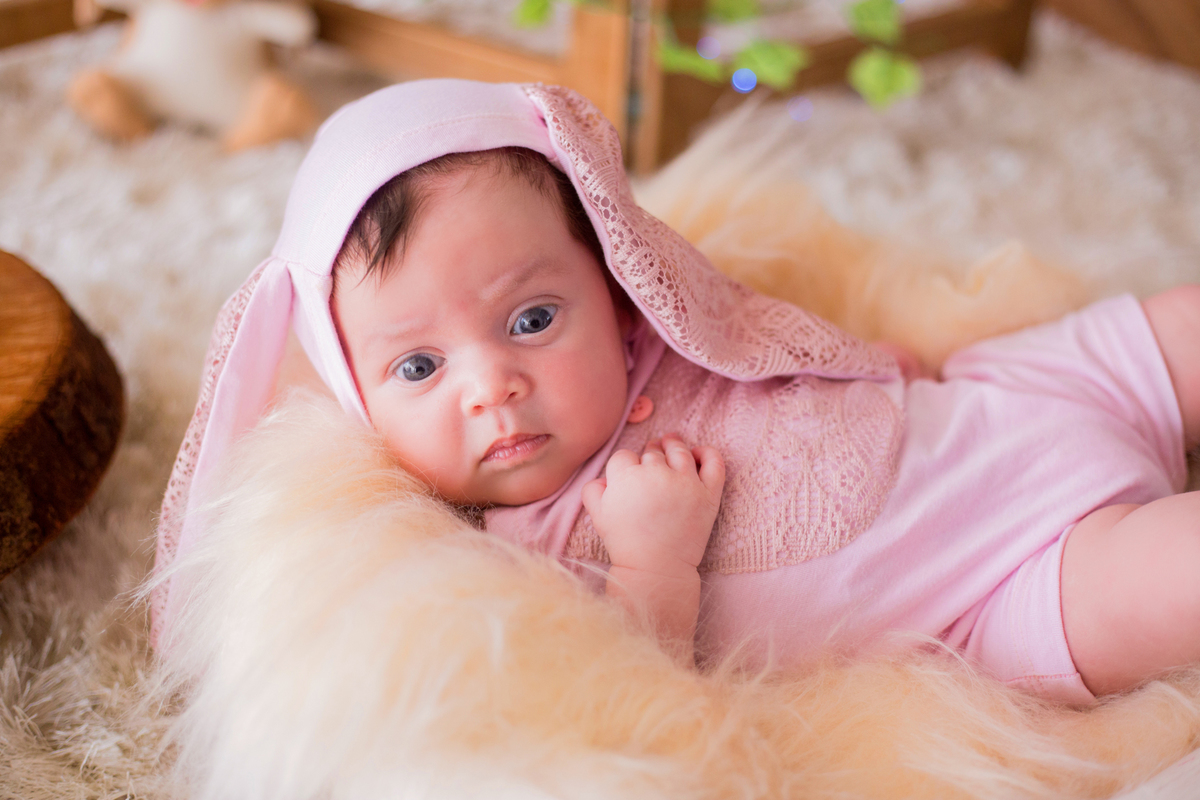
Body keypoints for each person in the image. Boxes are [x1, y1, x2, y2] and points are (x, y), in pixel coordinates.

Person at [153, 79, 1200, 705]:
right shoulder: (495, 558)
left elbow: (750, 319)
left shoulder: (663, 324)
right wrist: (655, 559)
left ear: (613, 284)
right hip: (1002, 594)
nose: (494, 386)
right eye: (419, 367)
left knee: (1175, 324)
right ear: (353, 389)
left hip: (991, 401)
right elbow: (628, 698)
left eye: (531, 319)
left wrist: (854, 357)